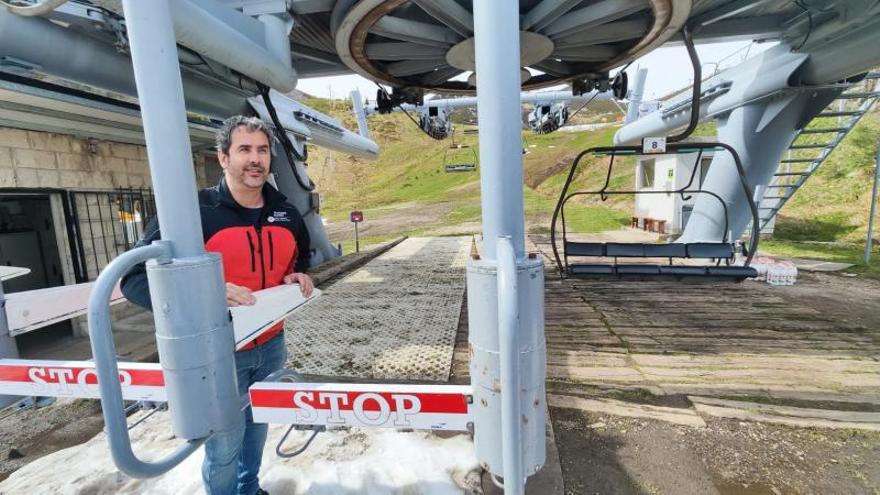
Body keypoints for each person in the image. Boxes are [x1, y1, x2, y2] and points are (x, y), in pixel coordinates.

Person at [121, 115, 313, 495]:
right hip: (217, 352)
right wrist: (205, 293)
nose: (254, 159)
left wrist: (297, 278)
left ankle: (249, 489)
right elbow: (134, 279)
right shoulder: (191, 215)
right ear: (223, 157)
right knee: (224, 444)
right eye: (244, 149)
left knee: (257, 427)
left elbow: (300, 262)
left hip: (271, 345)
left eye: (261, 150)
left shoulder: (287, 213)